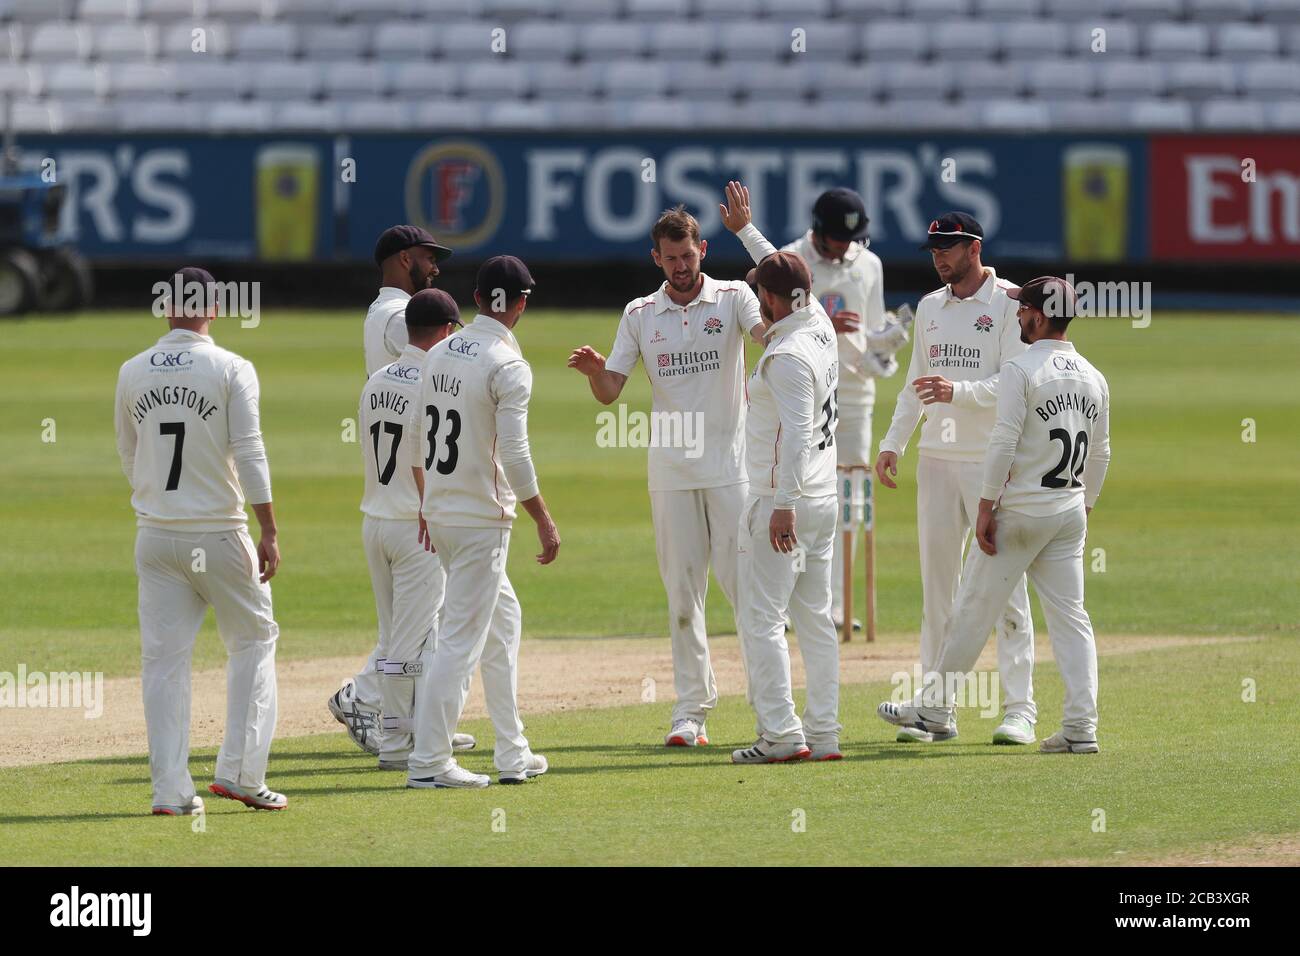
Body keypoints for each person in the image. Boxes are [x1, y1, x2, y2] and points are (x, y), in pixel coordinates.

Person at [883, 277, 1110, 753]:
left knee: (970, 610)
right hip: (1067, 512)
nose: (1019, 315)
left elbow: (1004, 440)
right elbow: (1102, 454)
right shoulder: (1093, 375)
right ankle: (1080, 726)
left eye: (1024, 308)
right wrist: (1083, 507)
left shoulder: (1021, 369)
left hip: (1022, 512)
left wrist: (986, 507)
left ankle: (934, 708)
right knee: (1072, 619)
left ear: (1040, 316)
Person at [568, 205, 766, 749]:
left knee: (746, 591)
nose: (680, 266)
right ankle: (691, 712)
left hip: (731, 469)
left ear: (702, 250)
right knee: (682, 596)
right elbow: (611, 390)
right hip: (671, 471)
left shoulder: (733, 298)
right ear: (655, 257)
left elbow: (772, 337)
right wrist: (594, 373)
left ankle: (768, 707)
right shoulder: (639, 313)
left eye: (688, 255)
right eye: (669, 258)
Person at [114, 267, 284, 814]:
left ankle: (170, 791)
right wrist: (269, 527)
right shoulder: (232, 367)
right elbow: (251, 451)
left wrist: (160, 503)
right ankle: (239, 773)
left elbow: (129, 452)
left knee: (162, 662)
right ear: (215, 307)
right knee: (253, 642)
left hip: (156, 535)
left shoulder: (132, 370)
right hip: (218, 531)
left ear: (166, 308)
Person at [873, 213, 1039, 745]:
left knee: (1003, 589)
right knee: (937, 591)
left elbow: (1015, 382)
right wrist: (893, 442)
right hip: (937, 461)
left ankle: (1021, 709)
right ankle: (935, 711)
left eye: (948, 247)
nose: (939, 257)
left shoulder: (1011, 302)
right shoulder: (929, 307)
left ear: (974, 247)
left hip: (993, 463)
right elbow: (914, 384)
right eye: (933, 249)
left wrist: (957, 393)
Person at [407, 256, 560, 789]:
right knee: (461, 641)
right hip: (480, 520)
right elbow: (515, 453)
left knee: (502, 623)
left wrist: (428, 504)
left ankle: (512, 752)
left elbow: (420, 439)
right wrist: (542, 516)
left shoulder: (440, 352)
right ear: (521, 303)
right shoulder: (508, 366)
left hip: (445, 512)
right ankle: (428, 762)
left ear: (477, 300)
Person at [331, 224, 474, 756]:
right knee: (411, 633)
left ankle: (417, 724)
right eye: (426, 257)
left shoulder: (377, 370)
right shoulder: (402, 327)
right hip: (412, 508)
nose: (433, 264)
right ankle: (371, 707)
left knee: (417, 627)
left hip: (379, 502)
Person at [722, 182, 843, 764]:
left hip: (786, 499)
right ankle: (823, 734)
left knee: (761, 621)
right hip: (823, 497)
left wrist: (783, 505)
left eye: (759, 297)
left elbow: (795, 432)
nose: (758, 305)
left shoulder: (790, 355)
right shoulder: (815, 319)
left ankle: (781, 734)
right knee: (815, 622)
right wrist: (746, 231)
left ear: (772, 301)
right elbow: (778, 273)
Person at [782, 188, 909, 630]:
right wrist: (820, 321)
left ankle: (834, 605)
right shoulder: (789, 261)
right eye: (836, 239)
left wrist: (884, 350)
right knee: (793, 492)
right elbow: (769, 327)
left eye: (850, 239)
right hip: (801, 390)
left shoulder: (868, 264)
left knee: (848, 498)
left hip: (854, 395)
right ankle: (785, 601)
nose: (844, 247)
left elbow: (871, 335)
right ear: (817, 230)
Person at [355, 289, 464, 771]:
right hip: (415, 525)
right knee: (408, 646)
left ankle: (419, 731)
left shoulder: (376, 379)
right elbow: (432, 456)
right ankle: (398, 746)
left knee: (402, 637)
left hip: (375, 519)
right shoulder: (434, 379)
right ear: (443, 331)